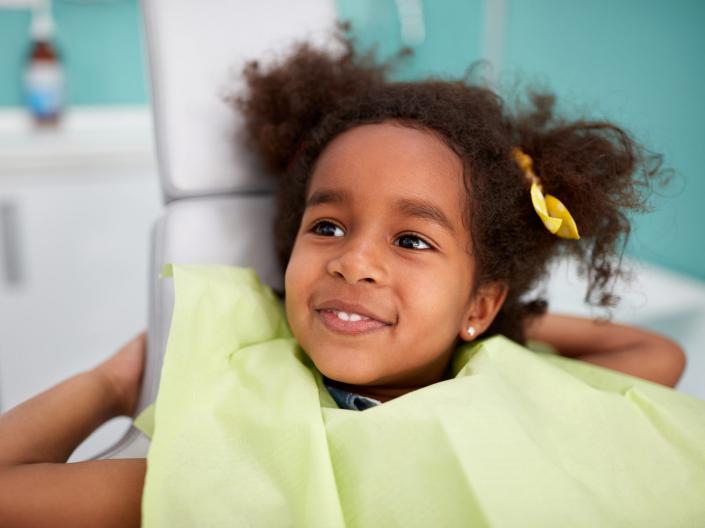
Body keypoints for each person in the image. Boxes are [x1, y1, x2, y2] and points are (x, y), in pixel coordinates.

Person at [0, 29, 688, 527]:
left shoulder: (505, 379)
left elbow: (655, 355)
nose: (351, 261)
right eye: (326, 226)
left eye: (411, 239)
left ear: (479, 301)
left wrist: (488, 323)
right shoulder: (245, 448)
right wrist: (113, 385)